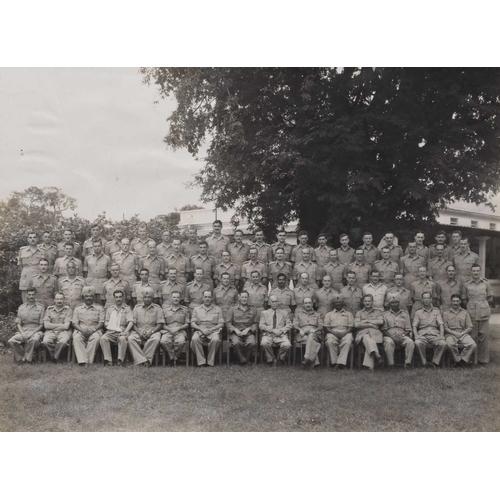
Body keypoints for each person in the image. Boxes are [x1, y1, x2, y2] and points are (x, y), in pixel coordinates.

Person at [462, 264, 493, 364]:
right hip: (471, 311)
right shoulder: (466, 284)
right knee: (473, 335)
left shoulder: (486, 283)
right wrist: (471, 306)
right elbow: (464, 299)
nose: (475, 273)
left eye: (477, 271)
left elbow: (489, 297)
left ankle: (483, 359)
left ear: (480, 271)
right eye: (474, 271)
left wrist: (482, 305)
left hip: (483, 311)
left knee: (483, 335)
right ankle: (472, 359)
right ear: (471, 272)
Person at [7, 288, 45, 363]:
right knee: (11, 341)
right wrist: (22, 333)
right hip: (24, 330)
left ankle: (27, 359)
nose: (31, 296)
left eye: (33, 294)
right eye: (29, 294)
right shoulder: (21, 307)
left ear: (35, 295)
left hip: (36, 330)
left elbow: (42, 325)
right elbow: (18, 323)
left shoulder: (41, 307)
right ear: (27, 295)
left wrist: (32, 332)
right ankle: (21, 357)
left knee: (34, 340)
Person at [128, 290, 165, 366]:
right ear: (142, 298)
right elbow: (133, 323)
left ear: (152, 298)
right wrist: (139, 333)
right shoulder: (137, 308)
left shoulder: (158, 308)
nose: (147, 299)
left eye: (149, 297)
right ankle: (144, 360)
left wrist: (151, 332)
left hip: (153, 330)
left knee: (156, 339)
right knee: (131, 338)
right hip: (139, 329)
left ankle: (142, 359)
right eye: (145, 297)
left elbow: (160, 324)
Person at [72, 286, 105, 366]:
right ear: (83, 297)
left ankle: (86, 361)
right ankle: (83, 361)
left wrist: (93, 330)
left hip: (95, 330)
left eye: (91, 296)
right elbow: (74, 323)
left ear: (94, 297)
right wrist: (82, 330)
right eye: (87, 296)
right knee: (76, 338)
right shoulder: (78, 308)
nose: (89, 298)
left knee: (96, 338)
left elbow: (101, 322)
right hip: (81, 329)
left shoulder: (99, 308)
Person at [412, 291, 447, 368]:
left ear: (431, 299)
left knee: (443, 343)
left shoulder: (436, 311)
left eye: (428, 298)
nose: (426, 300)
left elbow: (441, 324)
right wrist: (416, 335)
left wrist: (441, 335)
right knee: (417, 343)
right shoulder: (418, 312)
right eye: (424, 298)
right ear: (422, 300)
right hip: (422, 334)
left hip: (434, 333)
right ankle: (424, 362)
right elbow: (414, 325)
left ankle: (434, 362)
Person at [100, 290, 134, 366]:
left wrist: (125, 332)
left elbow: (131, 322)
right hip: (111, 331)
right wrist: (110, 326)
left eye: (120, 297)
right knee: (103, 338)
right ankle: (108, 360)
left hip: (123, 330)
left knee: (122, 339)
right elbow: (106, 322)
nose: (118, 299)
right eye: (116, 297)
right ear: (114, 298)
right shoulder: (110, 309)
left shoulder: (127, 309)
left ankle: (120, 360)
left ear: (123, 297)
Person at [190, 290, 224, 366]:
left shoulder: (218, 309)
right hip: (200, 331)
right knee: (194, 339)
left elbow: (221, 323)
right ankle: (201, 361)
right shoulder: (196, 309)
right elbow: (192, 323)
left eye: (209, 297)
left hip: (213, 331)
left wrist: (212, 329)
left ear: (212, 298)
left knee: (215, 339)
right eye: (205, 297)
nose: (207, 299)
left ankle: (210, 362)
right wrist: (201, 329)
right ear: (202, 298)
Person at [442, 294, 476, 367]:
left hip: (463, 334)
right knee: (450, 344)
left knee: (472, 344)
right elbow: (445, 327)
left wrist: (462, 333)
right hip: (450, 334)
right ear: (451, 302)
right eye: (454, 301)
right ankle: (457, 360)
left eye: (457, 301)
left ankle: (462, 360)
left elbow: (470, 326)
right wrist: (454, 333)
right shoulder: (446, 313)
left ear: (460, 301)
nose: (455, 303)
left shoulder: (465, 313)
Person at [382, 295, 414, 369]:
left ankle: (407, 364)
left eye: (396, 302)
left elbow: (408, 329)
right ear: (390, 304)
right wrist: (392, 336)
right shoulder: (385, 315)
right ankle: (391, 364)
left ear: (399, 303)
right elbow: (383, 329)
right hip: (389, 334)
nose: (394, 304)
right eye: (392, 303)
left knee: (410, 342)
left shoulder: (405, 314)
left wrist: (402, 336)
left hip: (402, 334)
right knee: (389, 342)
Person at [226, 290, 258, 365]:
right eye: (242, 297)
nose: (244, 299)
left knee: (252, 342)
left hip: (248, 333)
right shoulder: (232, 309)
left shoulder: (253, 309)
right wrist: (235, 330)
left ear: (248, 298)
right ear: (239, 298)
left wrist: (248, 329)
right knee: (236, 342)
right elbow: (228, 323)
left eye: (246, 297)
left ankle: (243, 360)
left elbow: (255, 323)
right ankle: (244, 360)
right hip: (236, 333)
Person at [259, 295, 292, 366]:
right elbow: (261, 325)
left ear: (278, 302)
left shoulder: (284, 313)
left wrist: (281, 330)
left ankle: (280, 358)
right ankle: (271, 359)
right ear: (269, 303)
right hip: (269, 334)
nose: (274, 303)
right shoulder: (264, 313)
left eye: (275, 301)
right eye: (272, 302)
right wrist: (272, 330)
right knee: (264, 343)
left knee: (287, 345)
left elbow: (289, 324)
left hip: (281, 335)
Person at [159, 290, 190, 366]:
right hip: (168, 331)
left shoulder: (185, 310)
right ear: (170, 298)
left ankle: (175, 357)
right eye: (174, 297)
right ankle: (173, 357)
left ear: (180, 299)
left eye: (178, 297)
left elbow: (187, 324)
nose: (176, 299)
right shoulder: (165, 310)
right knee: (163, 341)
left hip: (180, 331)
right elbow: (162, 324)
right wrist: (169, 329)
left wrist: (178, 329)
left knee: (180, 342)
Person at [354, 295, 385, 370]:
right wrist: (372, 325)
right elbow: (357, 324)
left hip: (375, 334)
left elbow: (381, 321)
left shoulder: (378, 312)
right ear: (363, 302)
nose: (367, 303)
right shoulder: (359, 313)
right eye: (365, 301)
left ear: (372, 302)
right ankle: (377, 355)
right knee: (366, 337)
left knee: (369, 341)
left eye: (369, 301)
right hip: (362, 334)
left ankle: (370, 366)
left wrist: (366, 321)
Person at [323, 296, 354, 370]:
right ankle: (335, 362)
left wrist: (344, 333)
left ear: (342, 303)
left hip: (345, 331)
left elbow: (350, 326)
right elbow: (326, 327)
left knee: (348, 342)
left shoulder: (348, 314)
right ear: (333, 304)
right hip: (332, 331)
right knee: (330, 341)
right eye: (336, 303)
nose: (338, 304)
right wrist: (334, 333)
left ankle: (339, 363)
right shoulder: (329, 314)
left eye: (340, 302)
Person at [42, 292, 72, 363]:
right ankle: (56, 356)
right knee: (46, 341)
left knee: (63, 342)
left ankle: (54, 357)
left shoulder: (68, 310)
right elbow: (46, 325)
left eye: (61, 299)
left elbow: (66, 326)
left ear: (64, 300)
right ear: (54, 300)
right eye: (57, 299)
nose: (59, 301)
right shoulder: (49, 309)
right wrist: (60, 326)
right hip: (50, 332)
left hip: (64, 332)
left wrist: (52, 326)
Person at [293, 297, 323, 368]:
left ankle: (306, 358)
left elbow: (321, 326)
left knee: (311, 336)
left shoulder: (317, 315)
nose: (308, 305)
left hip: (314, 334)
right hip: (303, 335)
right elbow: (294, 325)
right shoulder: (298, 314)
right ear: (303, 305)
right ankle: (314, 362)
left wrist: (315, 330)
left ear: (312, 304)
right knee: (310, 340)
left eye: (309, 303)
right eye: (306, 303)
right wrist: (300, 330)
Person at [18, 232, 47, 302]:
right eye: (30, 238)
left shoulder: (43, 251)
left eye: (34, 237)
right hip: (26, 276)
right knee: (25, 298)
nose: (32, 239)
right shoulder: (22, 250)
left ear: (37, 239)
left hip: (38, 276)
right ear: (28, 239)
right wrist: (25, 273)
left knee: (39, 296)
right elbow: (20, 265)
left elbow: (46, 264)